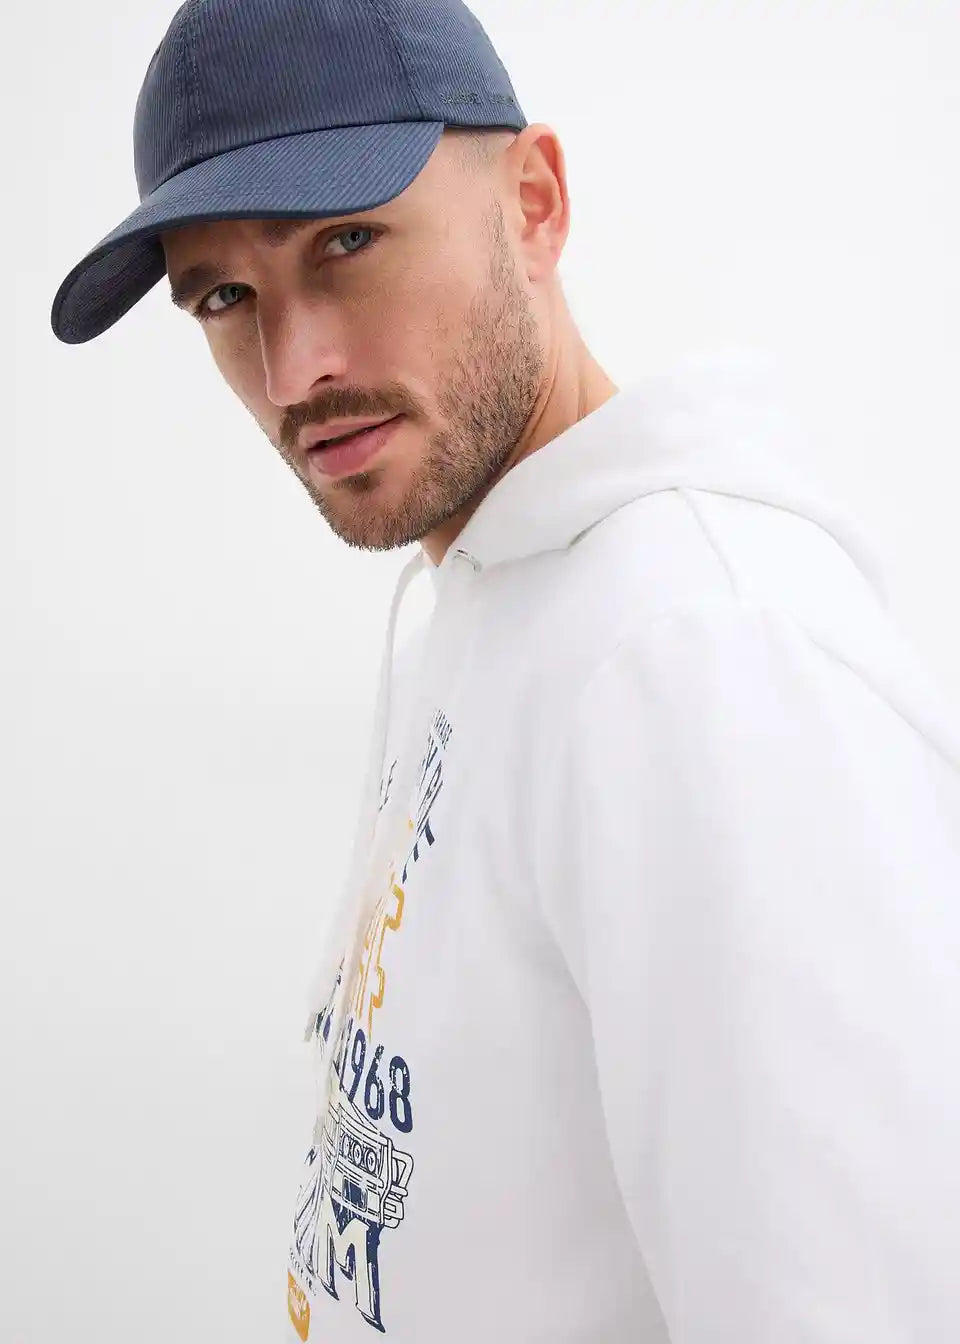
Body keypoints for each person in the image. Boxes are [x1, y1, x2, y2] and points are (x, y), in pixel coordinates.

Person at [51, 0, 960, 1340]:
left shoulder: (702, 659)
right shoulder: (492, 602)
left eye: (346, 241)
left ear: (533, 203)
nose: (293, 369)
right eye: (225, 297)